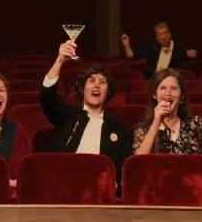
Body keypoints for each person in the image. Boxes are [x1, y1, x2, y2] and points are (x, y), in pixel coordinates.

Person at [39, 40, 132, 181]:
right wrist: (60, 61)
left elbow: (123, 172)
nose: (97, 85)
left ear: (107, 92)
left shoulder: (118, 129)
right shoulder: (66, 116)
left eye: (102, 82)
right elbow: (47, 96)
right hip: (64, 185)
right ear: (83, 89)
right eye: (91, 80)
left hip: (100, 192)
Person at [132, 68, 202, 172]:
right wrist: (156, 121)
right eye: (163, 88)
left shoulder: (196, 123)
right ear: (154, 95)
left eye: (174, 88)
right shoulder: (143, 128)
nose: (168, 93)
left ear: (182, 96)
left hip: (191, 184)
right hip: (157, 186)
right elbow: (138, 163)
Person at [121, 23, 202, 78]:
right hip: (152, 82)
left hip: (170, 83)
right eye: (159, 34)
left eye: (164, 33)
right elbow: (131, 55)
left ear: (169, 34)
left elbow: (194, 53)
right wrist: (126, 44)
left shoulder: (178, 50)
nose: (162, 37)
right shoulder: (152, 49)